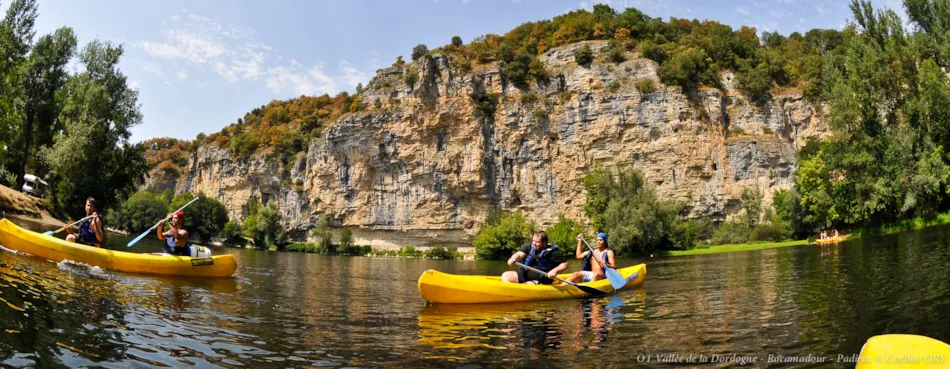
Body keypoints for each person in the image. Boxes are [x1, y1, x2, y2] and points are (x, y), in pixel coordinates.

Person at [502, 231, 568, 284]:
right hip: (524, 276)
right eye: (533, 240)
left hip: (540, 280)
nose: (534, 243)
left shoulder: (552, 252)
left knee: (526, 285)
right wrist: (513, 258)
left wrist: (554, 271)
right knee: (505, 275)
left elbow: (564, 264)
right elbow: (519, 254)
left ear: (544, 243)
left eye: (537, 242)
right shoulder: (528, 247)